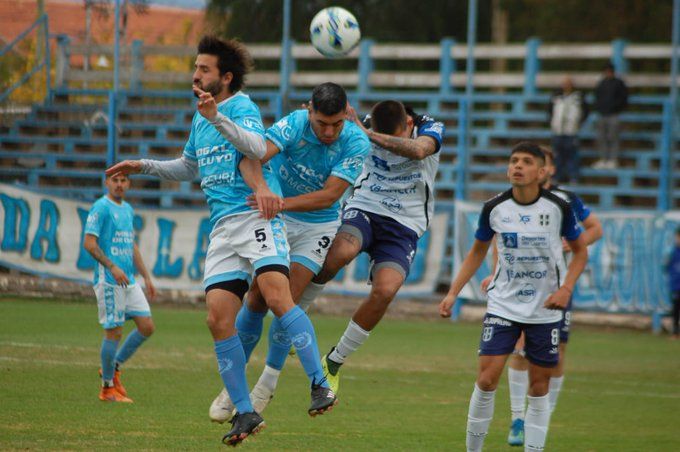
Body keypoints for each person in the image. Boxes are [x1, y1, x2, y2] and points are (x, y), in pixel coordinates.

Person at [105, 35, 335, 447]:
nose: (196, 74)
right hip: (224, 227)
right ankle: (245, 413)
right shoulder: (201, 116)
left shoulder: (240, 107)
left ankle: (320, 383)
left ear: (225, 78)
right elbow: (189, 166)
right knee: (217, 319)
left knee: (278, 298)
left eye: (204, 69)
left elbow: (254, 149)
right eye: (196, 67)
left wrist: (216, 117)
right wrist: (142, 165)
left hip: (254, 215)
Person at [208, 82, 370, 422]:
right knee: (256, 298)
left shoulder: (356, 141)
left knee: (286, 300)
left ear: (346, 115)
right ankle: (232, 386)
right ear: (309, 110)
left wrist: (279, 202)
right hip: (277, 217)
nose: (329, 131)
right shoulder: (294, 123)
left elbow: (329, 196)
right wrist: (263, 189)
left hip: (317, 226)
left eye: (336, 124)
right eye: (322, 123)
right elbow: (252, 157)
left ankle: (266, 384)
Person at [439, 141, 588, 452]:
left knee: (539, 386)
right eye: (514, 160)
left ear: (540, 171)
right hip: (503, 305)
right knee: (487, 379)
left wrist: (566, 289)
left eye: (526, 162)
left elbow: (580, 251)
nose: (518, 166)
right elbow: (477, 252)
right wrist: (453, 292)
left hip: (545, 310)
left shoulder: (558, 208)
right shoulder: (494, 208)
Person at [297, 100, 445, 395]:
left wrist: (367, 134)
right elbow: (327, 130)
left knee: (385, 291)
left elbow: (418, 151)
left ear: (409, 126)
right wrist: (311, 117)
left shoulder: (430, 128)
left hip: (404, 223)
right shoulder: (362, 123)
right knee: (339, 254)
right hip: (365, 206)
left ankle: (334, 361)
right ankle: (295, 321)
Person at [480, 147, 603, 446]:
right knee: (519, 349)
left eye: (534, 162)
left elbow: (595, 229)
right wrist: (495, 271)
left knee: (556, 355)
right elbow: (502, 242)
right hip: (517, 291)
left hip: (553, 287)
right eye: (517, 161)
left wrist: (568, 245)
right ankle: (517, 419)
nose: (523, 166)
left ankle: (543, 412)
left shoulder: (565, 201)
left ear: (547, 169)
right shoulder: (507, 203)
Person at [84, 172, 157, 404]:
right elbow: (89, 244)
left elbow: (131, 244)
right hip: (110, 280)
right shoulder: (100, 208)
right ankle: (107, 389)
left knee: (146, 326)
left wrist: (146, 276)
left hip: (130, 281)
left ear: (129, 184)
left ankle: (113, 366)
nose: (119, 184)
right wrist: (113, 267)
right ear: (106, 183)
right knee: (113, 332)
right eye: (114, 180)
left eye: (123, 180)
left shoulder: (127, 208)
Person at [548, 76, 589, 183]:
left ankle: (573, 177)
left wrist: (579, 123)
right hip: (558, 130)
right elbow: (549, 111)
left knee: (572, 155)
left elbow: (586, 111)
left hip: (572, 131)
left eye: (568, 83)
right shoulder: (556, 97)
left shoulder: (578, 97)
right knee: (557, 155)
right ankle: (557, 176)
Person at [593, 62, 628, 169]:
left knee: (613, 137)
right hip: (602, 114)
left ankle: (613, 159)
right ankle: (603, 158)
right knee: (602, 137)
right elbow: (597, 97)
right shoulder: (601, 83)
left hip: (614, 114)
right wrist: (599, 108)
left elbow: (624, 98)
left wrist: (616, 108)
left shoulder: (619, 83)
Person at [667, 228, 680, 340]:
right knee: (675, 311)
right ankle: (675, 332)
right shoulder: (673, 252)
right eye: (677, 237)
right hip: (676, 287)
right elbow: (667, 267)